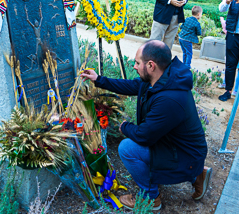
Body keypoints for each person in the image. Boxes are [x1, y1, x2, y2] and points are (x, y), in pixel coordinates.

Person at [80, 40, 211, 210]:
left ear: (151, 65)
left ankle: (151, 198)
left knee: (127, 148)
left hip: (184, 154)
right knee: (136, 145)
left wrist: (124, 126)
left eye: (137, 62)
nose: (134, 66)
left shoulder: (170, 99)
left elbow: (144, 136)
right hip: (175, 145)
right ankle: (198, 175)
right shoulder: (161, 78)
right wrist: (99, 80)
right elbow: (132, 85)